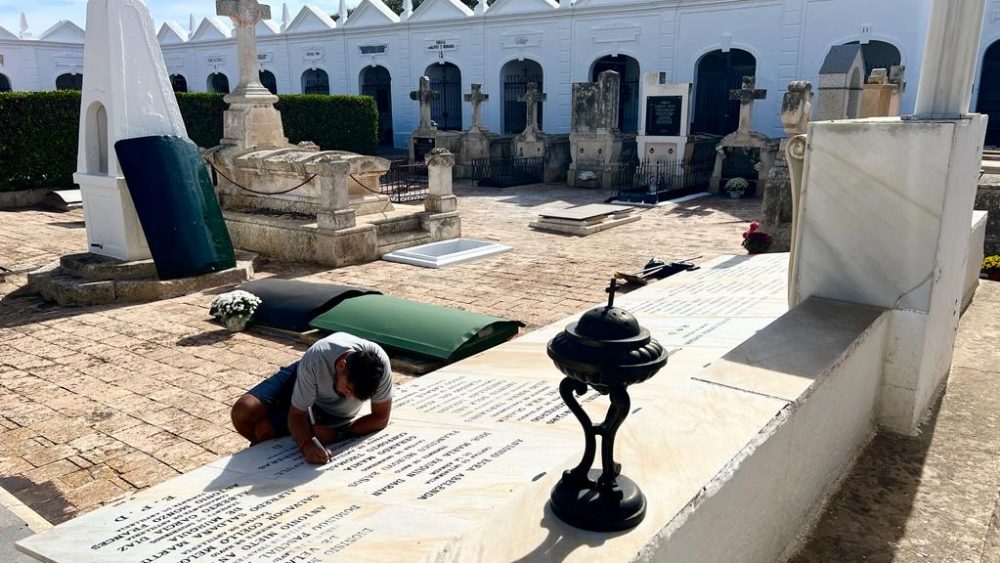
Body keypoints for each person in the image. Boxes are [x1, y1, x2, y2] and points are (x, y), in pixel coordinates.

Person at [231, 332, 392, 464]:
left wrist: (339, 433)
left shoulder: (379, 367)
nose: (350, 398)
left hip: (329, 410)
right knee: (244, 410)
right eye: (349, 389)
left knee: (263, 431)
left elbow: (381, 417)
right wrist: (306, 446)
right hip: (306, 371)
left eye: (358, 396)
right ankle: (262, 451)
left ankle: (263, 458)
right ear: (341, 365)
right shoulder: (317, 358)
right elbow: (297, 415)